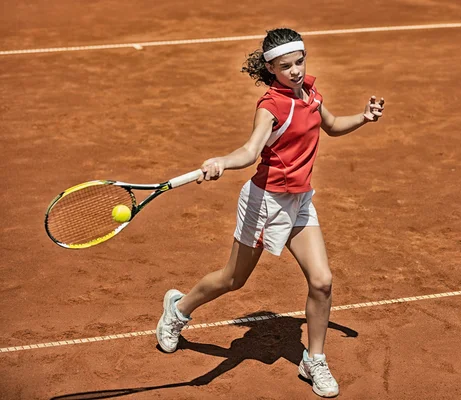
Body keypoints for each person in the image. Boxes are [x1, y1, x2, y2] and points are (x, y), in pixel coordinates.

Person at [156, 27, 384, 398]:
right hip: (265, 203)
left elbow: (332, 125)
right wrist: (221, 162)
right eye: (285, 66)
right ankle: (178, 309)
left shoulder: (309, 93)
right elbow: (249, 152)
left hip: (299, 201)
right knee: (233, 279)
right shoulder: (270, 107)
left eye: (299, 62)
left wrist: (363, 117)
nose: (295, 71)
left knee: (322, 281)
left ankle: (315, 358)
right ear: (271, 69)